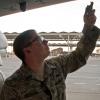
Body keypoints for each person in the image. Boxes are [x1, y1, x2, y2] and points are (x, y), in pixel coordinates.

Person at [0, 2, 100, 100]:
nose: (46, 41)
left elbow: (79, 56)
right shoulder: (12, 86)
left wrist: (89, 27)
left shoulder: (57, 65)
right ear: (27, 50)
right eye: (40, 39)